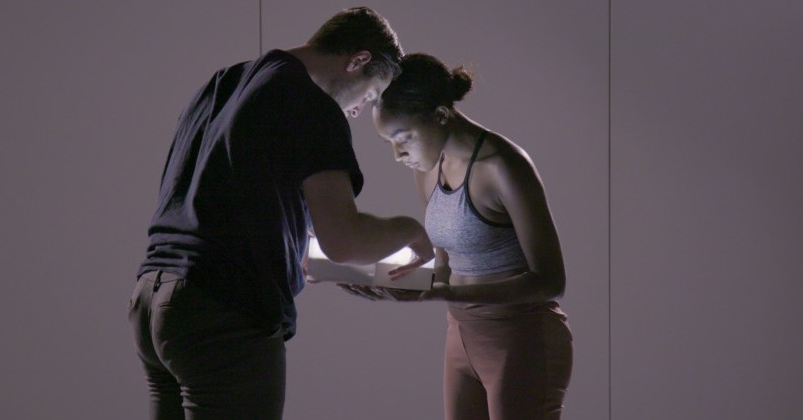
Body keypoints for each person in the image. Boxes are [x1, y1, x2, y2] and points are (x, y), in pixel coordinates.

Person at [127, 8, 434, 420]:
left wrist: (291, 247)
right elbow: (344, 239)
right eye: (371, 93)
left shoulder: (225, 82)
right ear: (358, 60)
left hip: (152, 304)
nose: (360, 110)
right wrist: (411, 231)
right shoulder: (311, 103)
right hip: (222, 316)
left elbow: (218, 198)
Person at [343, 53, 573, 420]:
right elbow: (444, 268)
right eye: (388, 141)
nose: (397, 154)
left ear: (440, 116)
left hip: (521, 338)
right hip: (461, 336)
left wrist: (450, 293)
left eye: (402, 138)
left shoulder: (504, 166)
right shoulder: (427, 169)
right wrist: (373, 276)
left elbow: (550, 281)